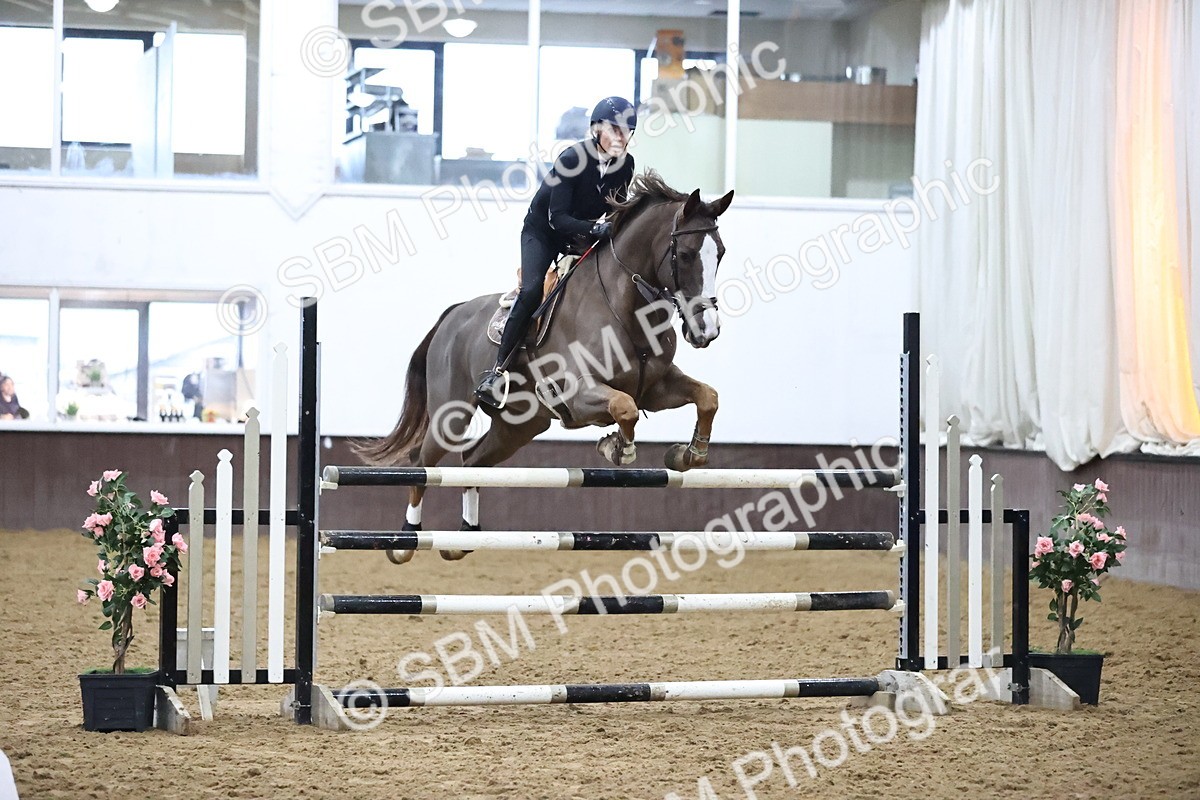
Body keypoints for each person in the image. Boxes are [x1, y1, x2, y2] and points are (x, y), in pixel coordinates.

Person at [475, 96, 639, 409]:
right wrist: (594, 230)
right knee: (534, 289)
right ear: (596, 130)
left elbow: (616, 208)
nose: (622, 137)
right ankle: (497, 373)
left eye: (627, 131)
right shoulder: (572, 158)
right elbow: (557, 217)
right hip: (545, 233)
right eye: (615, 130)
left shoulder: (626, 165)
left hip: (584, 234)